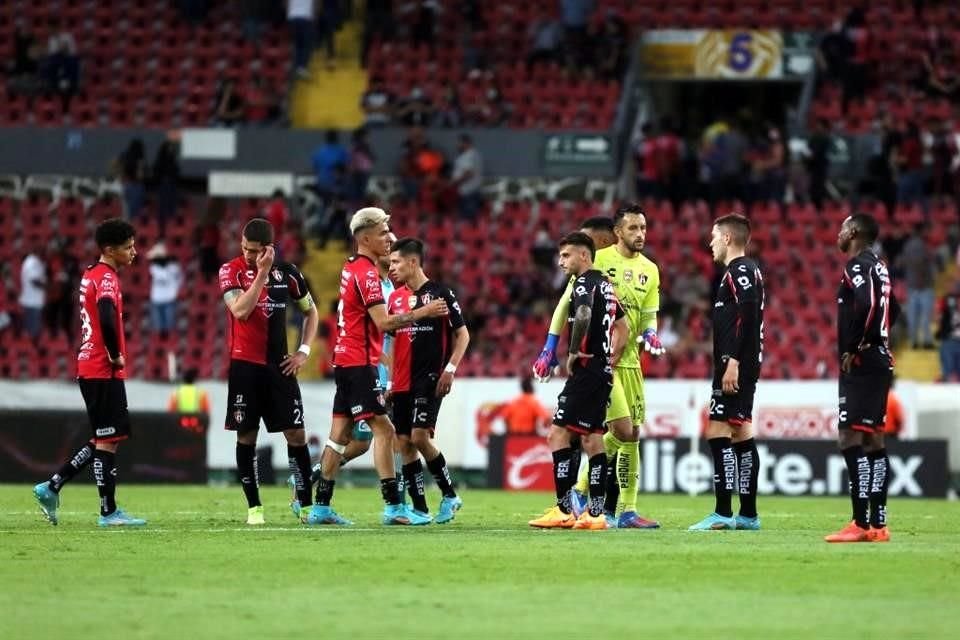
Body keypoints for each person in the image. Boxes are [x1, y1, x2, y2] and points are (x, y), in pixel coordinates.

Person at [306, 207, 449, 526]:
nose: (389, 236)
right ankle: (394, 506)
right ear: (366, 237)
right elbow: (384, 323)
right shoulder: (367, 273)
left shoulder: (353, 267)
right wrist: (422, 314)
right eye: (384, 231)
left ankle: (320, 507)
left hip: (346, 359)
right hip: (358, 361)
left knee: (339, 435)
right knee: (384, 430)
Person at [533, 204, 663, 529]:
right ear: (616, 233)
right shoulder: (599, 261)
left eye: (643, 228)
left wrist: (651, 333)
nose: (640, 234)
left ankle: (624, 510)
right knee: (608, 431)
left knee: (629, 434)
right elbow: (566, 305)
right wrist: (551, 347)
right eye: (633, 228)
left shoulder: (651, 269)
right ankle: (582, 495)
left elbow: (643, 317)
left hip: (629, 361)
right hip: (605, 365)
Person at [32, 218, 146, 527]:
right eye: (128, 247)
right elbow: (107, 316)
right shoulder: (107, 278)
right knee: (107, 441)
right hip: (101, 367)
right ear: (109, 250)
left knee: (103, 439)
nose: (134, 252)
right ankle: (108, 513)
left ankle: (52, 486)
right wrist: (115, 354)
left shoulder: (91, 275)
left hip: (89, 366)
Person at [219, 218, 319, 525]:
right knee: (246, 436)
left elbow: (310, 311)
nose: (249, 255)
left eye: (255, 251)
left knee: (297, 434)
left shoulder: (288, 273)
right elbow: (240, 311)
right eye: (245, 248)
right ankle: (254, 509)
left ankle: (304, 505)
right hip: (245, 367)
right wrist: (261, 273)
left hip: (280, 367)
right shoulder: (230, 270)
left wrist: (304, 351)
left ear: (269, 248)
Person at [529, 231, 627, 530]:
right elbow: (623, 327)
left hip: (586, 370)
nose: (561, 262)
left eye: (566, 255)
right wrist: (611, 358)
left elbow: (583, 312)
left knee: (557, 435)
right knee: (592, 439)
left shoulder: (584, 283)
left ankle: (562, 510)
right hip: (602, 371)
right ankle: (595, 514)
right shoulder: (607, 286)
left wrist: (573, 352)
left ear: (584, 255)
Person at [688, 214, 765, 531]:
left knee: (718, 432)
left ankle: (722, 512)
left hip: (736, 364)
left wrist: (732, 360)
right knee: (741, 433)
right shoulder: (740, 272)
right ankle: (747, 515)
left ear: (728, 239)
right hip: (740, 362)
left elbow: (748, 314)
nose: (711, 242)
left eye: (714, 236)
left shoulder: (741, 270)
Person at [825, 213, 898, 543]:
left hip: (863, 361)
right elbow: (892, 307)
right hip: (879, 359)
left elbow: (868, 304)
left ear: (853, 232)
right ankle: (877, 523)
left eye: (842, 228)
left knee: (849, 438)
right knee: (873, 440)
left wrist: (855, 346)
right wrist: (879, 339)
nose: (839, 234)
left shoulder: (857, 266)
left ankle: (860, 522)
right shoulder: (879, 267)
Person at [387, 238, 470, 523]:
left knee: (419, 436)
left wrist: (450, 368)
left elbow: (463, 334)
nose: (391, 268)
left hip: (430, 378)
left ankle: (449, 494)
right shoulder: (395, 298)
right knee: (403, 442)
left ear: (413, 262)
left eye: (396, 262)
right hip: (400, 381)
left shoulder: (440, 294)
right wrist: (388, 382)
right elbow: (391, 342)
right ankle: (420, 509)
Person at [147, 242, 182, 338]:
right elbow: (149, 257)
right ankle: (161, 338)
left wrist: (176, 288)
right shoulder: (154, 267)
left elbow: (180, 279)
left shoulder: (174, 267)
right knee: (158, 326)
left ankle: (170, 339)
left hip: (169, 298)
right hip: (156, 299)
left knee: (170, 324)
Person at [451, 134, 484, 220]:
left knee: (467, 219)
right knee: (467, 218)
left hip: (469, 191)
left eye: (460, 143)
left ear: (466, 143)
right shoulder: (473, 154)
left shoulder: (469, 155)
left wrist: (454, 182)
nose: (457, 145)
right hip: (469, 190)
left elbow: (469, 173)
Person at [19, 246, 46, 341]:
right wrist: (49, 287)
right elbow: (34, 281)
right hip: (32, 302)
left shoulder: (35, 262)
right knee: (33, 331)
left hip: (34, 301)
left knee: (35, 329)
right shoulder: (32, 262)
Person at [937, 280, 960, 381]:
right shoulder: (946, 299)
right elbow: (938, 315)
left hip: (949, 339)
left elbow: (937, 316)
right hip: (949, 339)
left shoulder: (946, 299)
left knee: (950, 373)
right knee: (950, 372)